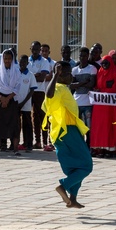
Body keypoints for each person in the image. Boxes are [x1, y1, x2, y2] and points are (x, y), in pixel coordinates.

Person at [44, 62, 93, 208]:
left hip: (70, 130)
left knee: (75, 166)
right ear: (60, 75)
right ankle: (63, 186)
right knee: (86, 165)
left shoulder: (64, 87)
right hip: (66, 131)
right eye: (68, 73)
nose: (71, 76)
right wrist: (55, 76)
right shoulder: (58, 88)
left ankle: (73, 198)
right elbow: (48, 94)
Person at [90, 50, 116, 157]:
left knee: (109, 126)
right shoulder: (99, 72)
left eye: (106, 63)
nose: (104, 65)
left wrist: (105, 90)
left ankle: (109, 149)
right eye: (103, 63)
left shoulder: (113, 73)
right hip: (99, 105)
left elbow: (113, 87)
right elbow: (98, 86)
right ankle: (99, 148)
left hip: (109, 105)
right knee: (99, 126)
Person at [0, 49, 22, 156]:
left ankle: (15, 149)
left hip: (11, 100)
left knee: (14, 124)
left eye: (9, 59)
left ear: (12, 59)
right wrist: (1, 98)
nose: (7, 61)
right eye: (5, 58)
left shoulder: (16, 71)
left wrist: (7, 98)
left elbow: (17, 87)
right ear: (2, 59)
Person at [28, 41, 53, 151]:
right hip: (28, 91)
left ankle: (46, 142)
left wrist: (31, 76)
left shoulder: (44, 61)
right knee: (32, 117)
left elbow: (42, 78)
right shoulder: (27, 61)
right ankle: (36, 141)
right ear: (30, 49)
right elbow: (26, 76)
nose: (36, 51)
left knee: (42, 116)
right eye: (33, 49)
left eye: (37, 49)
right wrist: (35, 75)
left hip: (40, 91)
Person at [70, 47, 97, 132]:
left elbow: (91, 84)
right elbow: (71, 86)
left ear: (88, 56)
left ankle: (88, 144)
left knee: (88, 127)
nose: (82, 58)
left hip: (88, 102)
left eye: (84, 56)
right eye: (81, 56)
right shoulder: (74, 70)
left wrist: (78, 84)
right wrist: (84, 82)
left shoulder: (92, 68)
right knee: (78, 127)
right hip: (76, 102)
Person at [15, 54, 38, 152]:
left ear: (27, 63)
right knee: (16, 124)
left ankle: (28, 144)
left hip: (26, 104)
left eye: (24, 62)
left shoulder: (30, 75)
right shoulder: (15, 73)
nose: (22, 64)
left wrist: (23, 102)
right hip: (15, 103)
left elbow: (32, 90)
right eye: (21, 62)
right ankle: (15, 143)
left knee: (27, 124)